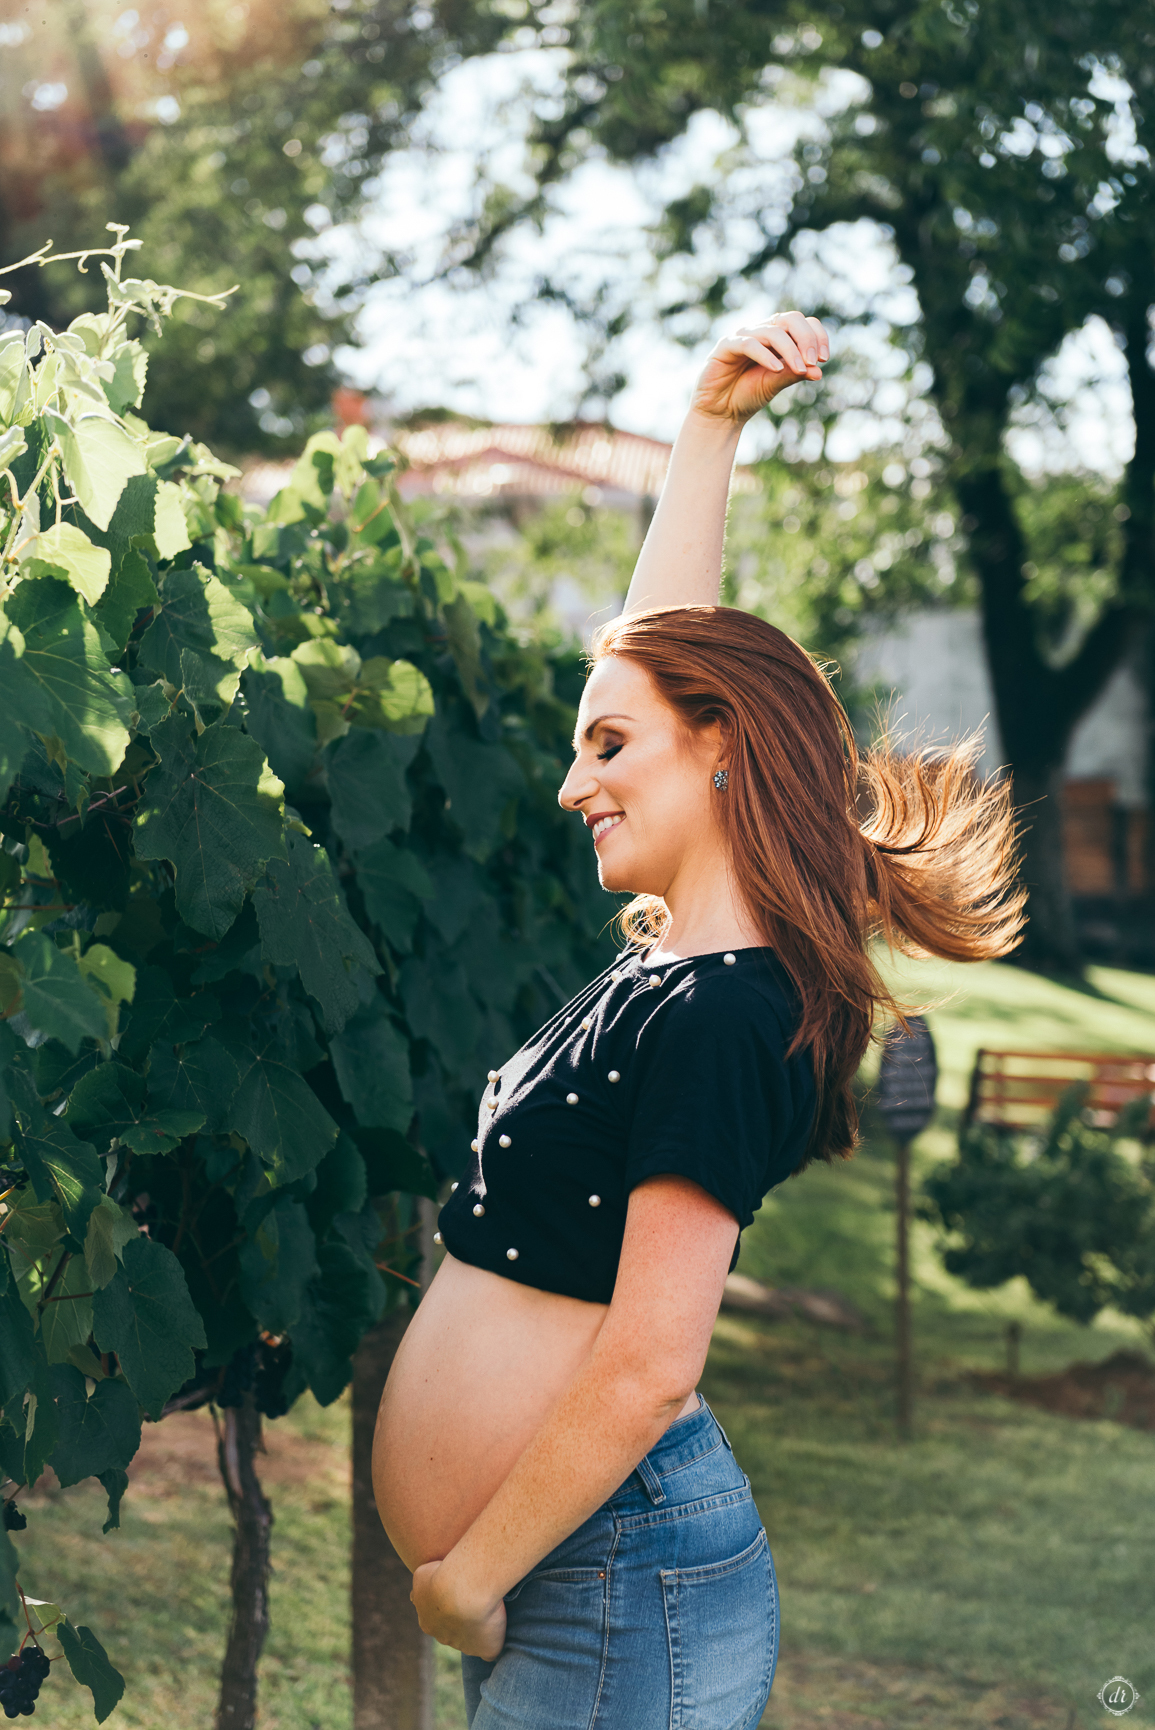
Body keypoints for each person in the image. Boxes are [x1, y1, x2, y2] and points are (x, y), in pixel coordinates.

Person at [372, 311, 1024, 1730]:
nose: (571, 782)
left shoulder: (731, 1013)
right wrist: (710, 428)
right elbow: (665, 659)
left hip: (600, 1571)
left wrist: (469, 1576)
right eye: (577, 746)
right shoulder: (682, 965)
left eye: (605, 747)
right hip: (581, 1570)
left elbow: (654, 1360)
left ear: (721, 745)